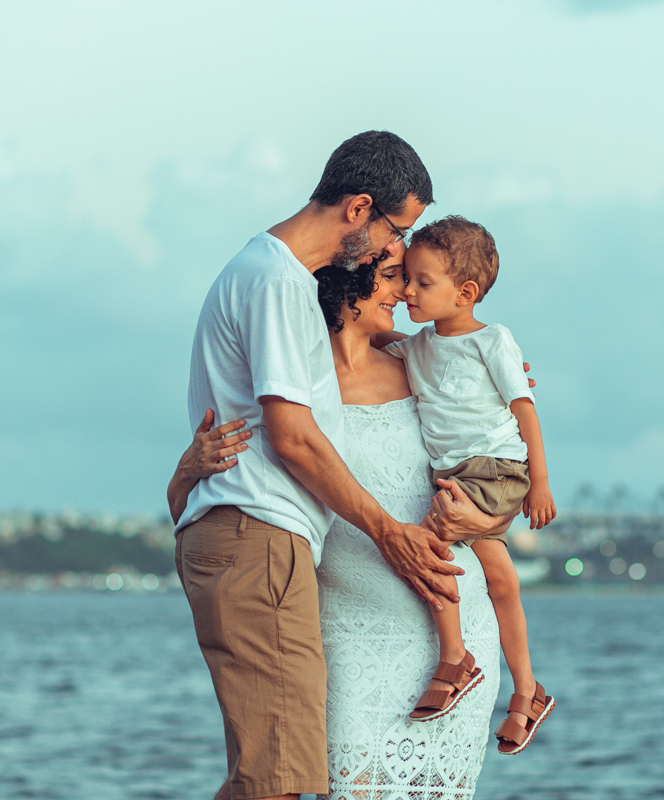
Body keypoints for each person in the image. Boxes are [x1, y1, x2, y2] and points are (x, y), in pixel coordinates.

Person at [168, 131, 505, 800]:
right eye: (394, 232)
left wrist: (481, 365)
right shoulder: (274, 279)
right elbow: (293, 438)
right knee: (275, 780)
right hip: (258, 539)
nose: (393, 252)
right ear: (358, 208)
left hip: (266, 542)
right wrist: (389, 533)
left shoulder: (282, 282)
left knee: (278, 777)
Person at [384, 216, 556, 754]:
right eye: (406, 278)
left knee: (432, 543)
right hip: (459, 474)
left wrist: (540, 483)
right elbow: (376, 340)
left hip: (497, 468)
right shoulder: (418, 347)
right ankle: (527, 691)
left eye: (422, 282)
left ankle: (455, 659)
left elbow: (524, 409)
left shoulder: (493, 341)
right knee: (502, 581)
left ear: (465, 293)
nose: (408, 290)